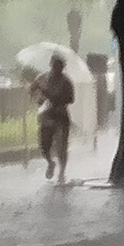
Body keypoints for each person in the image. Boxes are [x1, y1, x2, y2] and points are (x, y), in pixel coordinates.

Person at [30, 54, 74, 183]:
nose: (56, 69)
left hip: (61, 117)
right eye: (54, 65)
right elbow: (33, 91)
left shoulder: (66, 82)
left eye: (59, 66)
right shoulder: (43, 78)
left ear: (62, 67)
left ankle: (62, 172)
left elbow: (71, 99)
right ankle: (50, 162)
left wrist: (53, 96)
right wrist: (35, 92)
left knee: (62, 146)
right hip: (47, 116)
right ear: (51, 65)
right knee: (44, 145)